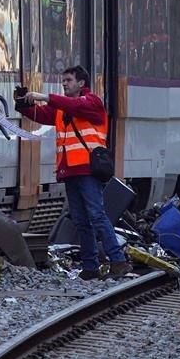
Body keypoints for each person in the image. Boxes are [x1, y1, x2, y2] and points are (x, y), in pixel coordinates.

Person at [16, 66, 131, 280]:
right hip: (69, 171)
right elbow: (40, 115)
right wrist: (23, 103)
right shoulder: (63, 109)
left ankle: (118, 261)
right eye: (64, 80)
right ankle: (90, 267)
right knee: (81, 220)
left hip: (88, 170)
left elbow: (72, 105)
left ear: (81, 83)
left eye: (68, 80)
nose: (65, 83)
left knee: (96, 215)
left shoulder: (92, 103)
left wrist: (43, 96)